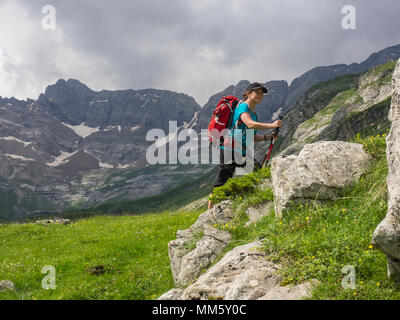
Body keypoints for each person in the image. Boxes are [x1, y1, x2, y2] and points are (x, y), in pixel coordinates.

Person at [208, 82, 282, 210]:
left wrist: (267, 137)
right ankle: (209, 213)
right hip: (230, 148)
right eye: (257, 92)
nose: (260, 95)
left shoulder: (254, 114)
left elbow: (250, 136)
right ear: (248, 93)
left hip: (239, 149)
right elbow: (250, 124)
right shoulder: (243, 107)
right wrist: (273, 125)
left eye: (261, 93)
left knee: (255, 174)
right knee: (223, 181)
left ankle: (253, 205)